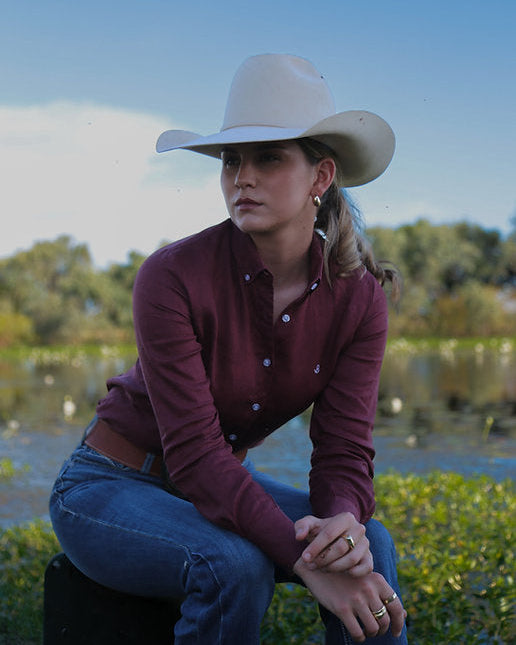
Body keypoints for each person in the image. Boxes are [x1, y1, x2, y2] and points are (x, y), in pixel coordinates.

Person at [49, 53, 408, 644]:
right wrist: (307, 563)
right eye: (231, 160)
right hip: (109, 485)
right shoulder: (171, 275)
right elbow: (195, 456)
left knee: (372, 544)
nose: (242, 177)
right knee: (232, 566)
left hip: (208, 488)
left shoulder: (359, 298)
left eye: (268, 158)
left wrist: (342, 519)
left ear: (320, 178)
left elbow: (344, 448)